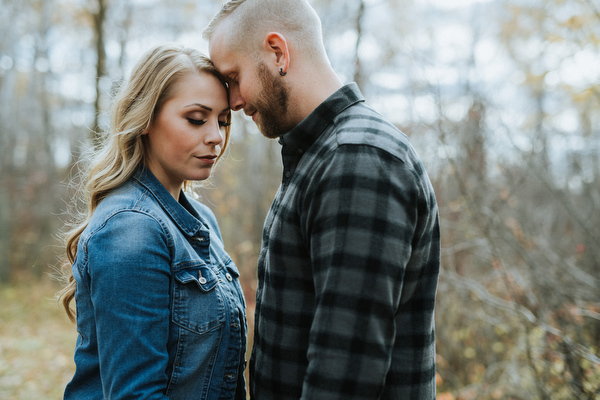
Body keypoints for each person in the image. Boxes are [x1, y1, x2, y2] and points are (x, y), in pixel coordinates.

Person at [203, 1, 441, 399]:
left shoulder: (357, 159)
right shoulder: (319, 154)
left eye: (233, 77)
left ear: (277, 52)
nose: (233, 101)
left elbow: (344, 376)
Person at [58, 43, 247, 400]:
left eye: (222, 121)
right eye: (196, 119)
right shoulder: (129, 229)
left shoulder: (200, 219)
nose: (216, 137)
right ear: (145, 119)